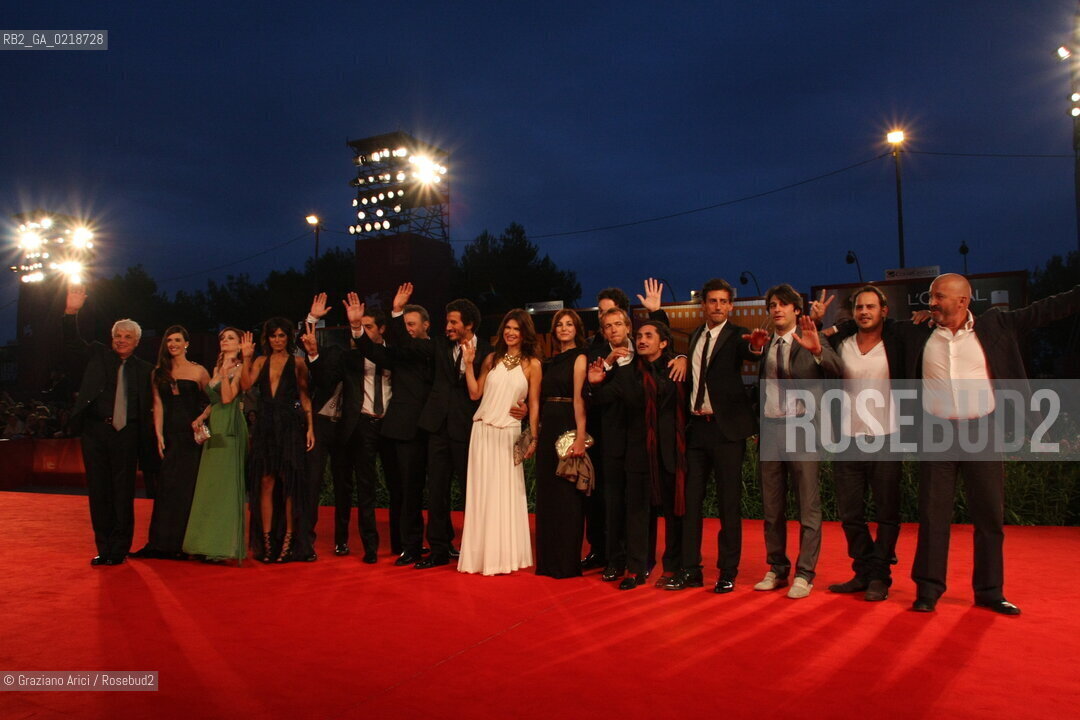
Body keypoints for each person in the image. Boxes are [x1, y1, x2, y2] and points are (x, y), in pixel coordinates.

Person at [907, 274, 1080, 615]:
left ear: (962, 301)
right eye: (931, 296)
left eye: (939, 296)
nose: (931, 302)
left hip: (982, 433)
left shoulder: (998, 325)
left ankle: (989, 591)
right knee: (932, 515)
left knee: (989, 515)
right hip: (935, 435)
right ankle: (928, 590)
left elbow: (1048, 309)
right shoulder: (917, 332)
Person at [665, 278, 762, 594]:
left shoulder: (735, 336)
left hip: (726, 431)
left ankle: (728, 572)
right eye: (712, 301)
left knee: (728, 505)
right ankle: (691, 569)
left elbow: (750, 352)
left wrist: (757, 346)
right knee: (690, 504)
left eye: (723, 301)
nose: (718, 306)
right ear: (703, 305)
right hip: (697, 431)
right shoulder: (695, 336)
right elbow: (693, 371)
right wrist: (681, 357)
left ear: (730, 306)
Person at [582, 279, 682, 570]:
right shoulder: (599, 355)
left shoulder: (643, 349)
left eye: (616, 321)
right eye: (605, 323)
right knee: (613, 503)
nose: (611, 327)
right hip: (612, 440)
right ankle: (614, 560)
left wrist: (658, 314)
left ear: (627, 325)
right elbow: (594, 392)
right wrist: (606, 369)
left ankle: (642, 560)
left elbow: (667, 347)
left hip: (642, 441)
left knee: (643, 507)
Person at [751, 284, 843, 599]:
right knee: (772, 507)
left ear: (795, 310)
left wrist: (817, 350)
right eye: (772, 305)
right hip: (772, 430)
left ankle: (805, 574)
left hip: (803, 429)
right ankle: (777, 568)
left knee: (808, 507)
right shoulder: (766, 345)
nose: (777, 309)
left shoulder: (811, 339)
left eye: (784, 305)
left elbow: (838, 370)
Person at [821, 286, 905, 602]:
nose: (864, 312)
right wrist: (834, 325)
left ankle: (880, 576)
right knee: (850, 514)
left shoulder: (896, 341)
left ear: (884, 310)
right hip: (847, 439)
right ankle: (863, 570)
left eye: (871, 306)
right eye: (859, 307)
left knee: (886, 513)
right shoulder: (842, 343)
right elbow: (816, 344)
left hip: (886, 437)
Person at [63, 285, 155, 566]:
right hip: (95, 432)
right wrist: (71, 311)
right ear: (111, 338)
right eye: (118, 335)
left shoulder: (146, 370)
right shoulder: (97, 354)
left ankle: (120, 548)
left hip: (127, 435)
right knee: (99, 492)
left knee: (123, 493)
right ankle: (104, 548)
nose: (122, 340)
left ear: (137, 341)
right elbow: (70, 341)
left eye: (128, 337)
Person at [404, 292, 495, 569]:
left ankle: (474, 549)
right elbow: (409, 345)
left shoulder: (488, 353)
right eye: (447, 321)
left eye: (453, 322)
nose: (448, 327)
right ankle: (439, 550)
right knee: (437, 492)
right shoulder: (439, 345)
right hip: (438, 429)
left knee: (472, 492)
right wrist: (398, 314)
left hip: (470, 431)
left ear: (468, 324)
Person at [458, 308, 541, 575]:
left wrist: (534, 436)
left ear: (525, 333)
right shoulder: (491, 359)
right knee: (482, 494)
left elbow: (534, 403)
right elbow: (474, 394)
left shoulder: (533, 364)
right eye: (508, 327)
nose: (511, 332)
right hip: (482, 432)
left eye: (516, 329)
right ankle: (480, 557)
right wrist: (469, 364)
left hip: (509, 433)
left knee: (505, 494)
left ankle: (504, 557)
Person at [360, 284, 435, 566]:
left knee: (424, 490)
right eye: (405, 324)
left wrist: (395, 313)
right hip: (401, 430)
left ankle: (432, 543)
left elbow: (409, 345)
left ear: (426, 325)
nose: (408, 328)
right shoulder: (401, 352)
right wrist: (357, 328)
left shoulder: (428, 347)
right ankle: (408, 546)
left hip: (428, 429)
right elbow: (372, 350)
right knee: (405, 490)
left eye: (411, 323)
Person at [131, 326, 210, 560]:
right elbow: (158, 405)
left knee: (188, 489)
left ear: (187, 343)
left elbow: (214, 401)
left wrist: (202, 419)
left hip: (191, 436)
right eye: (169, 340)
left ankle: (187, 544)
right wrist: (159, 435)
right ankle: (161, 544)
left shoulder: (199, 372)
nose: (172, 344)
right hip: (169, 436)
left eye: (177, 340)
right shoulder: (158, 372)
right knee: (166, 488)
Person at [241, 319, 316, 563]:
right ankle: (267, 541)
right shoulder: (260, 361)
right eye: (273, 336)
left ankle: (288, 542)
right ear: (268, 338)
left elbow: (305, 398)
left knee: (289, 482)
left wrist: (310, 428)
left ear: (288, 337)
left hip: (290, 425)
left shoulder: (298, 363)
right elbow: (245, 385)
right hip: (265, 425)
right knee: (265, 482)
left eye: (282, 336)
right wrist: (246, 358)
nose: (277, 340)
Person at [182, 328, 249, 563]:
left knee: (226, 487)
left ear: (241, 345)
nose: (225, 341)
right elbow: (216, 400)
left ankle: (224, 547)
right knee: (210, 486)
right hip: (215, 427)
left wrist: (225, 373)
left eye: (230, 338)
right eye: (222, 338)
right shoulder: (216, 368)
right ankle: (205, 544)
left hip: (231, 428)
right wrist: (202, 416)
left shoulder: (242, 369)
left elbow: (229, 398)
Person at [534, 309, 589, 578]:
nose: (564, 328)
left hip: (567, 427)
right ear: (554, 331)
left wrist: (580, 437)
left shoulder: (580, 358)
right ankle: (546, 562)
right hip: (548, 429)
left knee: (567, 496)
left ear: (577, 329)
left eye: (569, 324)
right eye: (560, 325)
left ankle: (566, 563)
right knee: (548, 495)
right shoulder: (548, 361)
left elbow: (580, 399)